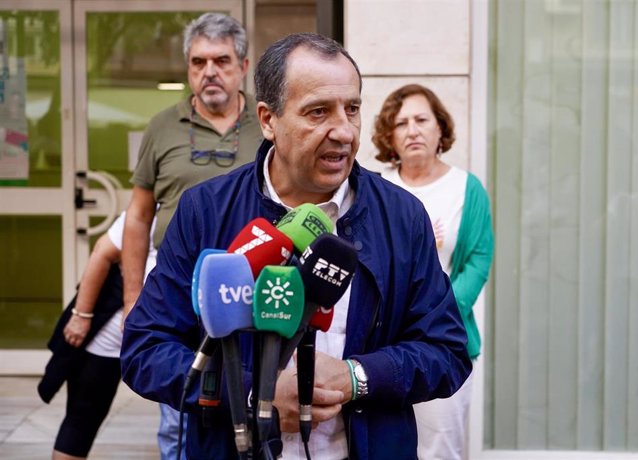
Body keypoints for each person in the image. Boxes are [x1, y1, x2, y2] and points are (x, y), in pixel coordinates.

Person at [120, 33, 472, 460]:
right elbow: (146, 349)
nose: (343, 130)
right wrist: (254, 393)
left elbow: (447, 351)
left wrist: (357, 377)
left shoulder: (401, 216)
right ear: (269, 120)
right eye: (318, 112)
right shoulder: (205, 211)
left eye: (353, 109)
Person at [120, 12, 263, 460]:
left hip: (254, 292)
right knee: (180, 418)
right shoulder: (163, 127)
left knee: (254, 400)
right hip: (182, 294)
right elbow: (138, 217)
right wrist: (132, 302)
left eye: (221, 60)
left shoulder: (269, 123)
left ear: (243, 65)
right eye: (198, 62)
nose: (209, 72)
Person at [373, 83, 494, 460]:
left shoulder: (466, 188)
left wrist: (436, 317)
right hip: (385, 349)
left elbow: (477, 261)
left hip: (443, 344)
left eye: (422, 119)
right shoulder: (377, 189)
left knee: (441, 449)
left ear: (439, 128)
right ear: (389, 135)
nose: (413, 130)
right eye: (402, 122)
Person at [38, 211, 156, 460]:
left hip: (170, 337)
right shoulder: (147, 211)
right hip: (109, 335)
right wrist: (81, 315)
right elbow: (101, 253)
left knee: (181, 423)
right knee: (83, 415)